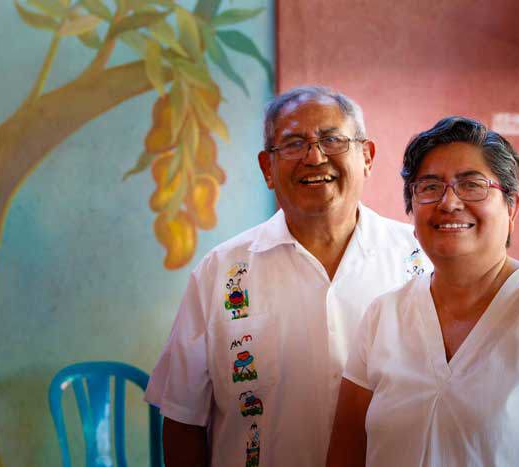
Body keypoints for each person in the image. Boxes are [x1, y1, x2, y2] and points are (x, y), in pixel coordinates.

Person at [144, 86, 428, 467]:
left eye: (332, 139)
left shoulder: (420, 262)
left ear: (367, 157)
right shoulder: (221, 273)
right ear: (267, 168)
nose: (315, 156)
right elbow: (182, 419)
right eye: (293, 143)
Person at [327, 116, 519, 467]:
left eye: (472, 185)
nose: (449, 202)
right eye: (429, 187)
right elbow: (344, 456)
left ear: (511, 207)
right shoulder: (382, 317)